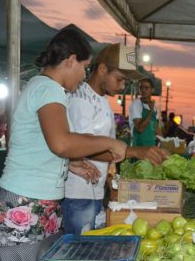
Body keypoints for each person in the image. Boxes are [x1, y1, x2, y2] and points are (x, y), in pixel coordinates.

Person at [0, 29, 127, 261]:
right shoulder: (48, 89)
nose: (83, 75)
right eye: (83, 67)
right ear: (70, 60)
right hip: (22, 204)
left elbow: (40, 144)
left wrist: (70, 165)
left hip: (36, 203)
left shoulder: (43, 88)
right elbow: (60, 142)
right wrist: (106, 141)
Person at [62, 43, 168, 235]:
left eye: (126, 82)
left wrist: (109, 177)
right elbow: (80, 147)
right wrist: (133, 151)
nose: (122, 86)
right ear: (102, 69)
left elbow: (102, 142)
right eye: (119, 79)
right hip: (78, 193)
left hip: (93, 190)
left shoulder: (100, 99)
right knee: (79, 253)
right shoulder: (81, 101)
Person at [129, 78, 157, 146]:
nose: (143, 90)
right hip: (138, 147)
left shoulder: (154, 107)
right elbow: (140, 129)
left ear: (152, 90)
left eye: (146, 88)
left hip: (151, 146)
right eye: (141, 87)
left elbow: (155, 128)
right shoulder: (136, 104)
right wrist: (151, 111)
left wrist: (165, 141)